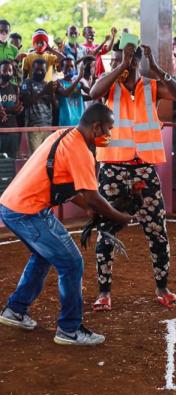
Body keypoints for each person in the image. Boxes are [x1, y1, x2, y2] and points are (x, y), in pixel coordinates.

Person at [0, 103, 133, 345]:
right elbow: (92, 196)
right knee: (72, 263)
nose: (110, 135)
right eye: (108, 129)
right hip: (27, 211)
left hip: (13, 206)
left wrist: (90, 209)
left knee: (44, 256)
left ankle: (15, 310)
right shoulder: (80, 151)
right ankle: (69, 329)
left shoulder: (64, 134)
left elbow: (66, 185)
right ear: (96, 127)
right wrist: (119, 217)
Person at [90, 41, 176, 311]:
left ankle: (162, 288)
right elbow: (93, 91)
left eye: (127, 58)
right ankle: (104, 292)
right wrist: (121, 65)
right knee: (106, 232)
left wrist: (156, 68)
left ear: (137, 61)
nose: (119, 62)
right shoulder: (109, 85)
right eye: (116, 59)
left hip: (144, 168)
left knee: (157, 231)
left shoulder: (151, 86)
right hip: (112, 168)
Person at [21, 59, 57, 153]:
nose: (40, 72)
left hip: (48, 125)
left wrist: (52, 93)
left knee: (47, 157)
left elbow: (55, 107)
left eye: (42, 70)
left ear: (46, 71)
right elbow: (26, 102)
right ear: (32, 69)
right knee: (35, 158)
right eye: (37, 70)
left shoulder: (47, 84)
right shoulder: (27, 82)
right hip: (34, 127)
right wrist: (43, 92)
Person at [0, 60, 23, 159]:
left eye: (10, 70)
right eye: (4, 70)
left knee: (12, 160)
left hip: (13, 129)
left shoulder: (15, 88)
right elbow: (12, 109)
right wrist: (10, 110)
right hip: (1, 130)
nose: (7, 73)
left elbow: (17, 108)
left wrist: (19, 109)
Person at [56, 57, 88, 126]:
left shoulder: (79, 83)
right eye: (67, 66)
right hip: (66, 122)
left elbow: (92, 94)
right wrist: (79, 77)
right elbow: (65, 93)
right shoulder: (59, 82)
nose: (70, 68)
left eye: (72, 66)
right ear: (62, 69)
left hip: (80, 122)